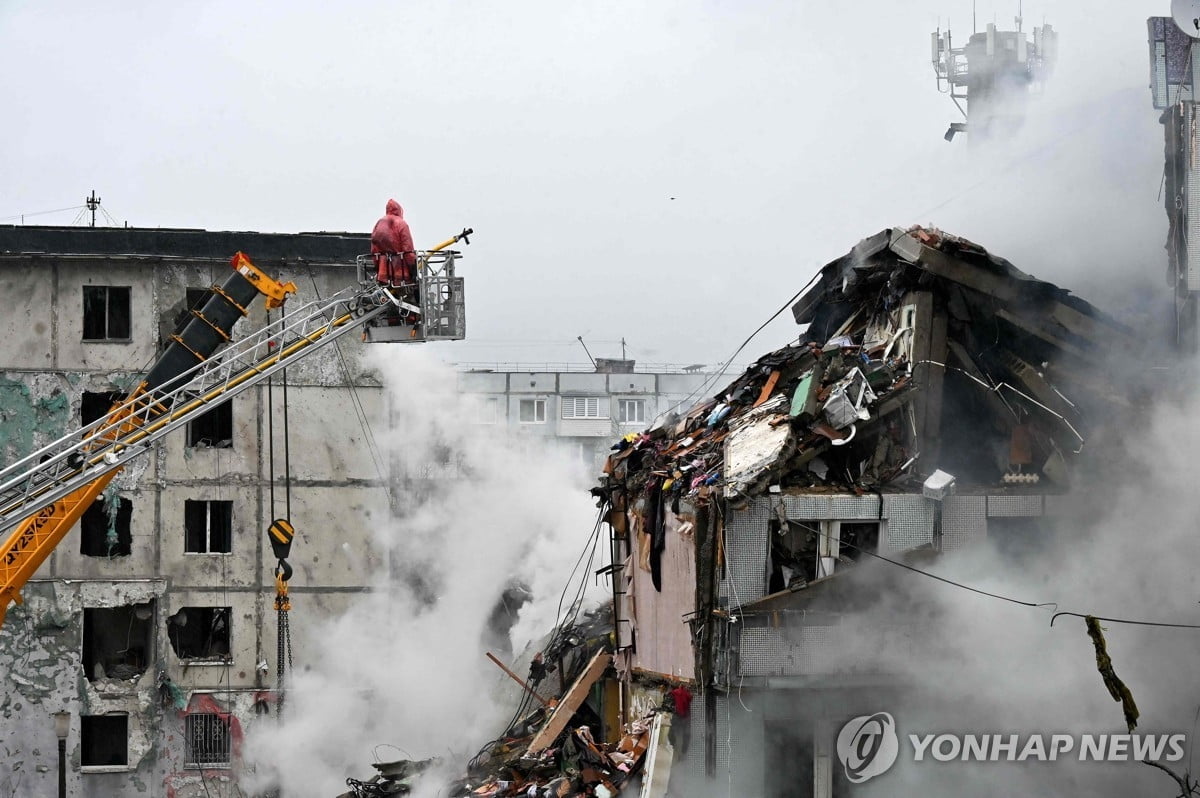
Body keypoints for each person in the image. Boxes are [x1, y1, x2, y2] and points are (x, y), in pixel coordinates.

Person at [370, 199, 416, 286]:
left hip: (383, 274)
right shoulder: (402, 224)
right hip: (401, 274)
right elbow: (407, 249)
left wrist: (377, 267)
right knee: (407, 298)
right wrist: (413, 268)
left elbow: (374, 249)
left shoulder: (379, 223)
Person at [667, 683, 692, 757]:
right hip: (685, 716)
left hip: (677, 715)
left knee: (671, 729)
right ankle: (684, 749)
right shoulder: (687, 694)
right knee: (687, 733)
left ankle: (672, 743)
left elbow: (670, 694)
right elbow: (690, 698)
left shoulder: (675, 692)